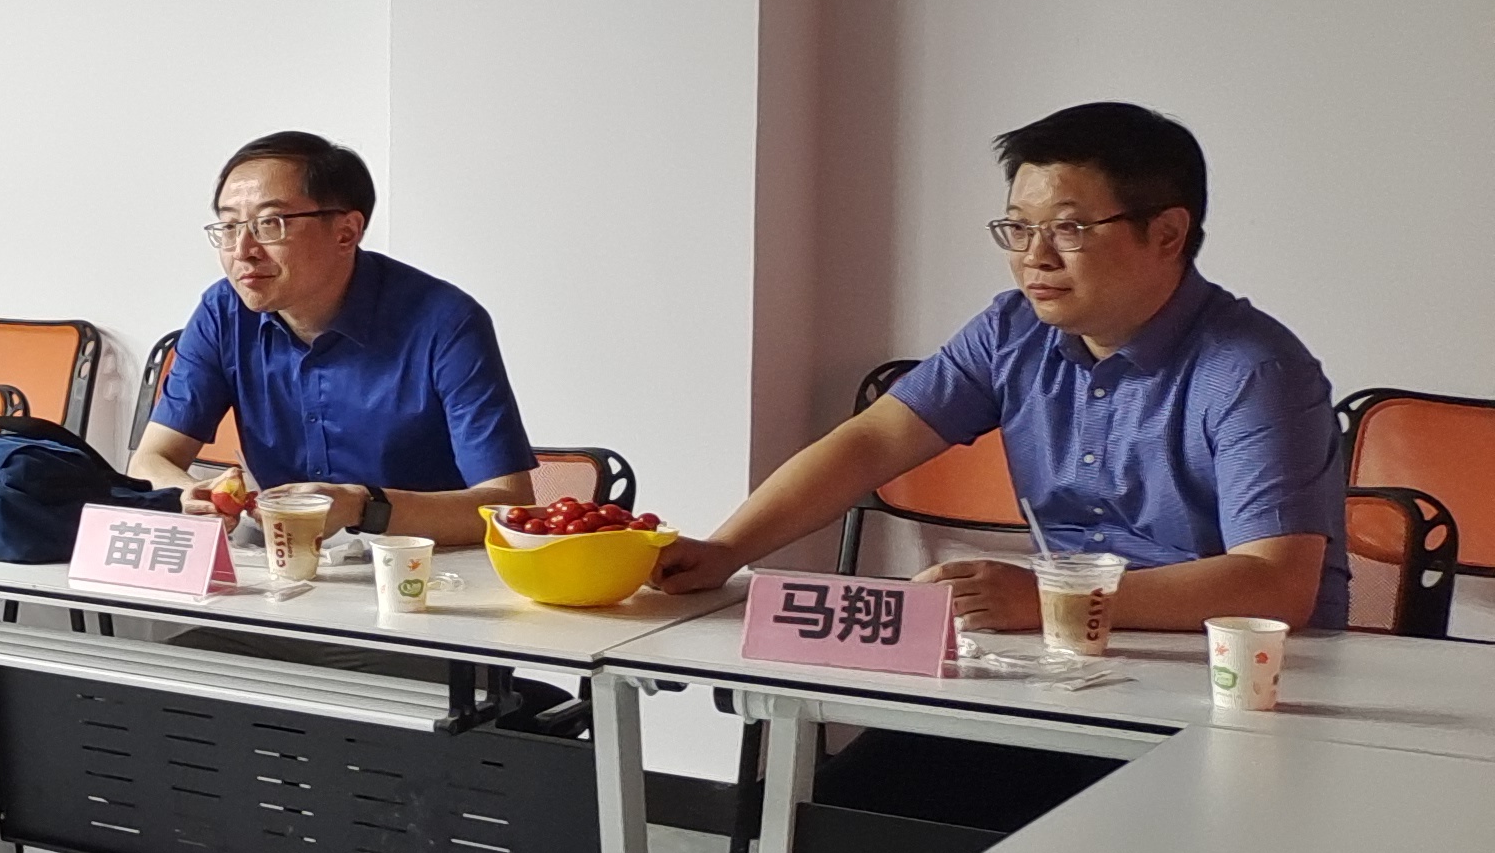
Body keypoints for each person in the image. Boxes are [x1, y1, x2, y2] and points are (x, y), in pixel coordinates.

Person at [656, 100, 1344, 634]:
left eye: (1069, 229)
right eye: (1018, 227)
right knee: (872, 773)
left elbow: (1275, 584)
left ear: (1166, 233)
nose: (1034, 257)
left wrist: (1051, 599)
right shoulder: (1013, 330)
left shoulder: (1253, 372)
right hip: (1067, 659)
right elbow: (875, 441)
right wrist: (727, 549)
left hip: (1229, 676)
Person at [127, 131, 538, 543]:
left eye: (270, 224)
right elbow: (150, 460)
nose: (242, 250)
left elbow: (506, 506)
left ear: (346, 232)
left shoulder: (445, 323)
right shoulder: (224, 312)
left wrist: (362, 506)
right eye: (230, 226)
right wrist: (189, 494)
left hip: (419, 563)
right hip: (283, 561)